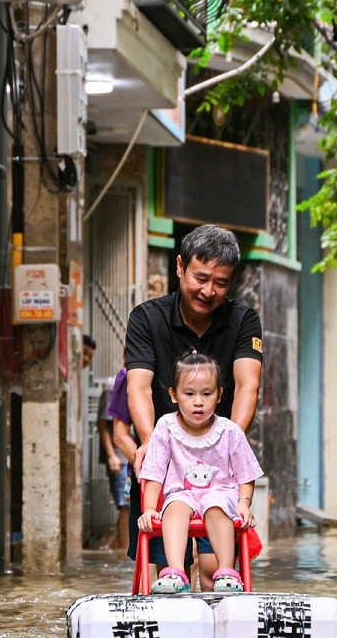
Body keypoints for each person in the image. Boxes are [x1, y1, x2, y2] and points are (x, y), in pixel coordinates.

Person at [123, 225, 264, 586]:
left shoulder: (243, 320)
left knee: (216, 570)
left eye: (220, 282)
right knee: (161, 568)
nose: (209, 291)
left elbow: (249, 384)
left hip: (219, 467)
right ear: (180, 266)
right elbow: (138, 386)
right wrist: (148, 443)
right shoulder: (146, 318)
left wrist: (227, 444)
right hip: (164, 455)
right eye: (201, 277)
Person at [137, 352, 263, 594]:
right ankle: (176, 573)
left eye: (207, 394)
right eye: (189, 394)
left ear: (219, 396)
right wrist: (150, 508)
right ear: (174, 395)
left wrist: (244, 504)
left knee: (216, 504)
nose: (198, 402)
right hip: (181, 494)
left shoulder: (229, 431)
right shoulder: (165, 427)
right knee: (174, 506)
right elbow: (154, 473)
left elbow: (246, 475)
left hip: (221, 493)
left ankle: (227, 571)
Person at [97, 363, 142, 555]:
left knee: (128, 505)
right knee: (126, 505)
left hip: (134, 456)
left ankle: (119, 545)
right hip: (126, 457)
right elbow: (106, 426)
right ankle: (122, 548)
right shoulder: (120, 381)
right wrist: (112, 455)